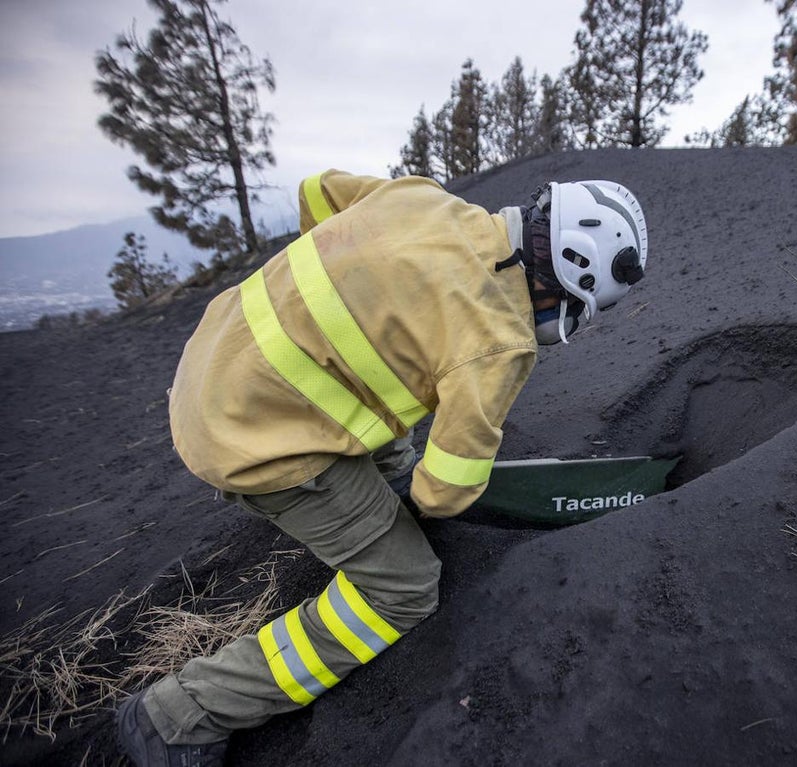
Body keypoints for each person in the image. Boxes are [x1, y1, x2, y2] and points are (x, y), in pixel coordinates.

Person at [115, 170, 648, 766]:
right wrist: (426, 495)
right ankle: (184, 712)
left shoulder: (421, 199)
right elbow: (446, 491)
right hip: (248, 435)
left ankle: (379, 482)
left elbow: (317, 191)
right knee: (403, 588)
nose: (569, 319)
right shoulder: (499, 340)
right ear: (573, 272)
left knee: (396, 406)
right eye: (577, 307)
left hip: (217, 356)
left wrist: (351, 283)